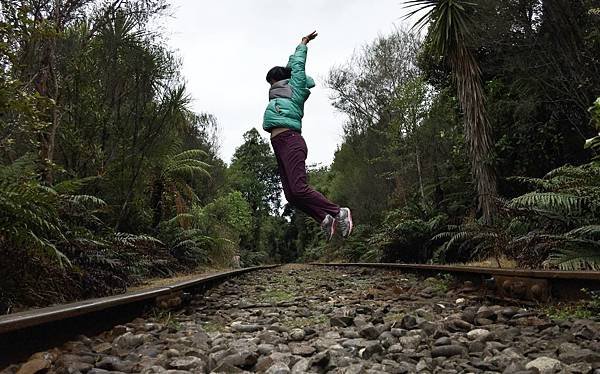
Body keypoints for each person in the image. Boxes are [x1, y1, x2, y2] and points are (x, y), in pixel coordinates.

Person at [263, 31, 352, 240]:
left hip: (291, 141)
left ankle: (339, 212)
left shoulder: (295, 88)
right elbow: (290, 65)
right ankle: (324, 218)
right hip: (279, 144)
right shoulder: (281, 91)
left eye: (272, 81)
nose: (270, 86)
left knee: (299, 188)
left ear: (280, 80)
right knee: (291, 195)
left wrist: (303, 43)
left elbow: (296, 67)